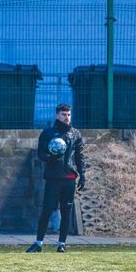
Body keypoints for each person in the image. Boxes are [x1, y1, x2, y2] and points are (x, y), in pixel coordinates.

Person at [26, 103, 86, 253]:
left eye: (69, 114)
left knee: (66, 211)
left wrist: (82, 174)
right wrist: (51, 156)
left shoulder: (76, 134)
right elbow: (41, 154)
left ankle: (61, 244)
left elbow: (79, 156)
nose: (67, 117)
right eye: (64, 114)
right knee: (47, 209)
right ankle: (38, 243)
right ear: (57, 115)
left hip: (69, 178)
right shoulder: (47, 133)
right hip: (53, 178)